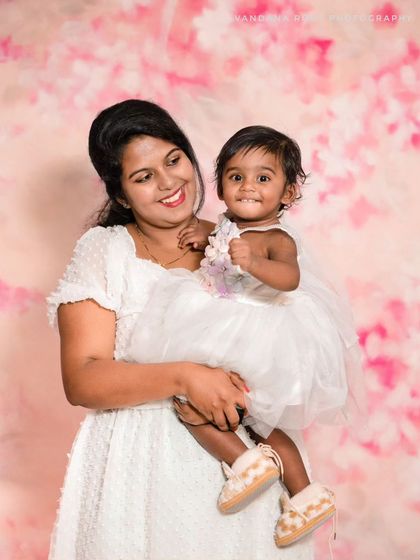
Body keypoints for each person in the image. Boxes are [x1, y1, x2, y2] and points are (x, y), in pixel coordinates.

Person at [47, 100, 314, 560]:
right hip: (140, 471)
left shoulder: (241, 242)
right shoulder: (106, 250)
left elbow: (288, 343)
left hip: (253, 464)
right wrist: (187, 377)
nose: (169, 183)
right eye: (143, 176)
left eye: (174, 161)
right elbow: (82, 379)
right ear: (122, 195)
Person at [128, 126, 364, 547]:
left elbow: (288, 279)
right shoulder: (227, 227)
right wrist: (209, 237)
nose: (248, 187)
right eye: (236, 177)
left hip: (256, 331)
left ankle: (269, 474)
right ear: (220, 185)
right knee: (226, 409)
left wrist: (254, 261)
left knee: (221, 409)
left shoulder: (276, 237)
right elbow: (220, 248)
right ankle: (281, 482)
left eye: (263, 178)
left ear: (288, 193)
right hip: (226, 323)